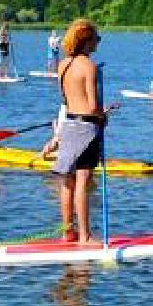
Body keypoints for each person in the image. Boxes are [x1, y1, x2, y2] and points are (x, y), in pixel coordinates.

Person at [53, 19, 104, 244]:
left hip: (69, 125)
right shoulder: (90, 67)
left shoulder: (62, 65)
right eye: (97, 39)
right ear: (87, 40)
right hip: (87, 129)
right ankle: (85, 236)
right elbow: (93, 106)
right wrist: (104, 115)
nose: (98, 43)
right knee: (83, 179)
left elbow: (66, 101)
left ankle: (68, 233)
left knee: (67, 181)